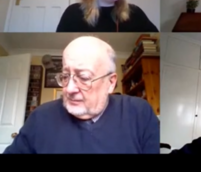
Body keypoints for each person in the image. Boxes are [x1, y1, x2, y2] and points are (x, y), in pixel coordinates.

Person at [3, 36, 159, 154]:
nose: (69, 89)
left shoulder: (139, 113)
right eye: (65, 76)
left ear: (110, 83)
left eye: (84, 78)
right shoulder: (40, 117)